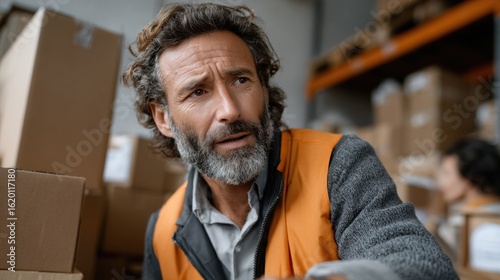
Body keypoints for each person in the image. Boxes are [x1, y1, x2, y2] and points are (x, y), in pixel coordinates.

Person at [123, 3, 457, 280]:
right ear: (163, 118)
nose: (229, 109)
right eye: (198, 92)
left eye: (241, 79)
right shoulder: (162, 231)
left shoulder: (337, 165)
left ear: (264, 90)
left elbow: (423, 265)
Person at [436, 138, 500, 255]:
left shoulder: (471, 222)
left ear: (469, 177)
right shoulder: (466, 213)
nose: (440, 182)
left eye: (447, 173)